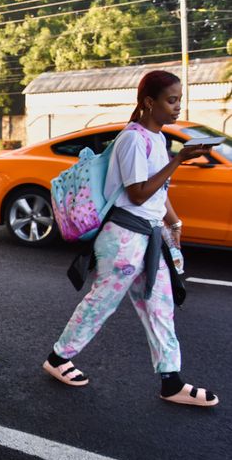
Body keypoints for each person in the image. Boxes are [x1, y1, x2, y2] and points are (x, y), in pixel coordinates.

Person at [42, 70, 219, 407]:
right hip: (122, 239)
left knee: (160, 308)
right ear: (149, 102)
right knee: (100, 304)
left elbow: (157, 192)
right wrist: (178, 160)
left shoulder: (158, 140)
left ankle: (171, 381)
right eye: (171, 100)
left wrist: (174, 223)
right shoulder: (132, 140)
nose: (177, 106)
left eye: (179, 99)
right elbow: (138, 194)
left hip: (149, 237)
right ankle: (57, 359)